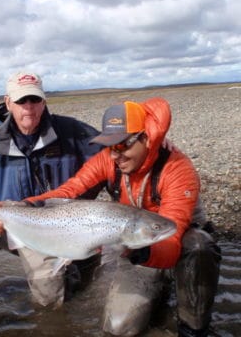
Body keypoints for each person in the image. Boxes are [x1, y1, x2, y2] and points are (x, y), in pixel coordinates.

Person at [21, 98, 221, 336]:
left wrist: (141, 251)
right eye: (110, 145)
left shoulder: (177, 169)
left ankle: (193, 328)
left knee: (199, 246)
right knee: (118, 327)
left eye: (122, 145)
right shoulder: (109, 158)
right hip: (140, 244)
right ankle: (157, 289)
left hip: (173, 242)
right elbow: (70, 190)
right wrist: (25, 205)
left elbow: (172, 236)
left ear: (146, 138)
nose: (116, 155)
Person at [0, 71, 103, 307]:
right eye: (21, 100)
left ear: (44, 101)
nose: (29, 107)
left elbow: (117, 151)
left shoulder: (74, 133)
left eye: (35, 99)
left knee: (51, 299)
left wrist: (154, 138)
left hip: (60, 230)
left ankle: (69, 285)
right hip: (7, 225)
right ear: (8, 103)